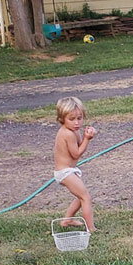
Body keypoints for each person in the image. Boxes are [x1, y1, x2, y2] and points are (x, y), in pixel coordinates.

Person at [53, 97, 97, 231]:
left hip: (69, 170)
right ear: (62, 118)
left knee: (80, 197)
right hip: (65, 172)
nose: (77, 122)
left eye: (80, 118)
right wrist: (87, 139)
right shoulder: (67, 134)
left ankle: (67, 220)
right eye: (72, 119)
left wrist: (86, 136)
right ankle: (91, 228)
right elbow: (76, 154)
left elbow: (79, 146)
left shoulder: (73, 131)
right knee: (86, 197)